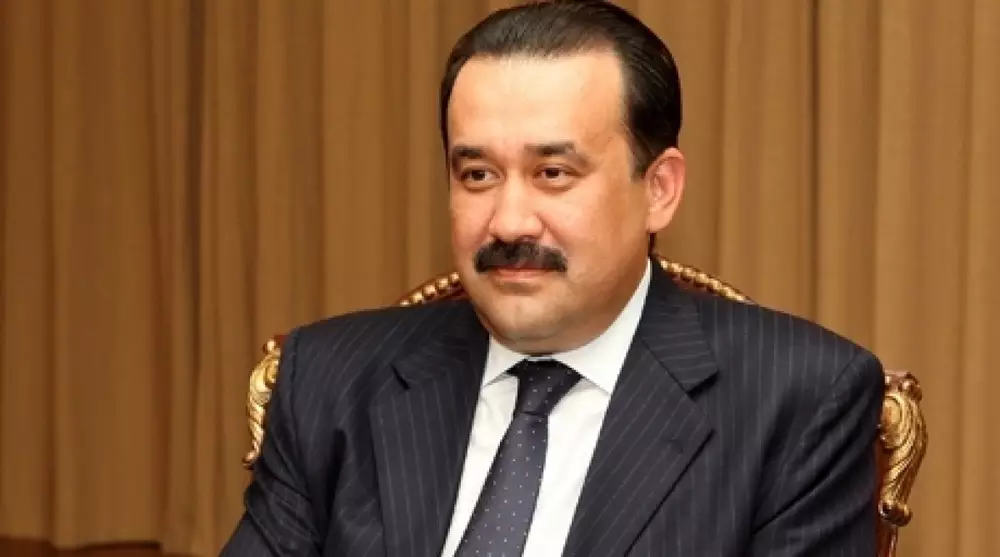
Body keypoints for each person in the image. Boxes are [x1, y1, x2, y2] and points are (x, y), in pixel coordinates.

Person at [221, 1, 884, 555]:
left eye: (553, 173)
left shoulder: (796, 399)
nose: (509, 221)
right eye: (477, 174)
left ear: (659, 189)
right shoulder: (330, 382)